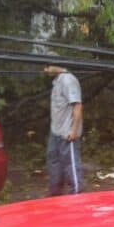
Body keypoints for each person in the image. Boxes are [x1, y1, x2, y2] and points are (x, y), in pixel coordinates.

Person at [44, 61, 83, 196]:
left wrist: (73, 130)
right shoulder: (57, 82)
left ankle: (76, 196)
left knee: (71, 167)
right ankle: (55, 196)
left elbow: (77, 106)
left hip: (67, 134)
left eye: (47, 66)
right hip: (55, 132)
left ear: (55, 64)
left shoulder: (68, 80)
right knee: (54, 164)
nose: (45, 70)